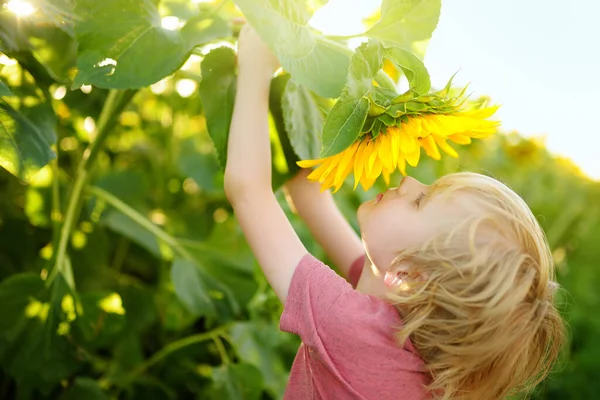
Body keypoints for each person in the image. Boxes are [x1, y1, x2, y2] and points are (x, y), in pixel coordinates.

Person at [223, 25, 565, 400]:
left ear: (409, 276)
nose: (410, 181)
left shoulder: (352, 329)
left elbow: (248, 190)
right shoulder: (399, 313)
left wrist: (255, 62)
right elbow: (308, 195)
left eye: (421, 200)